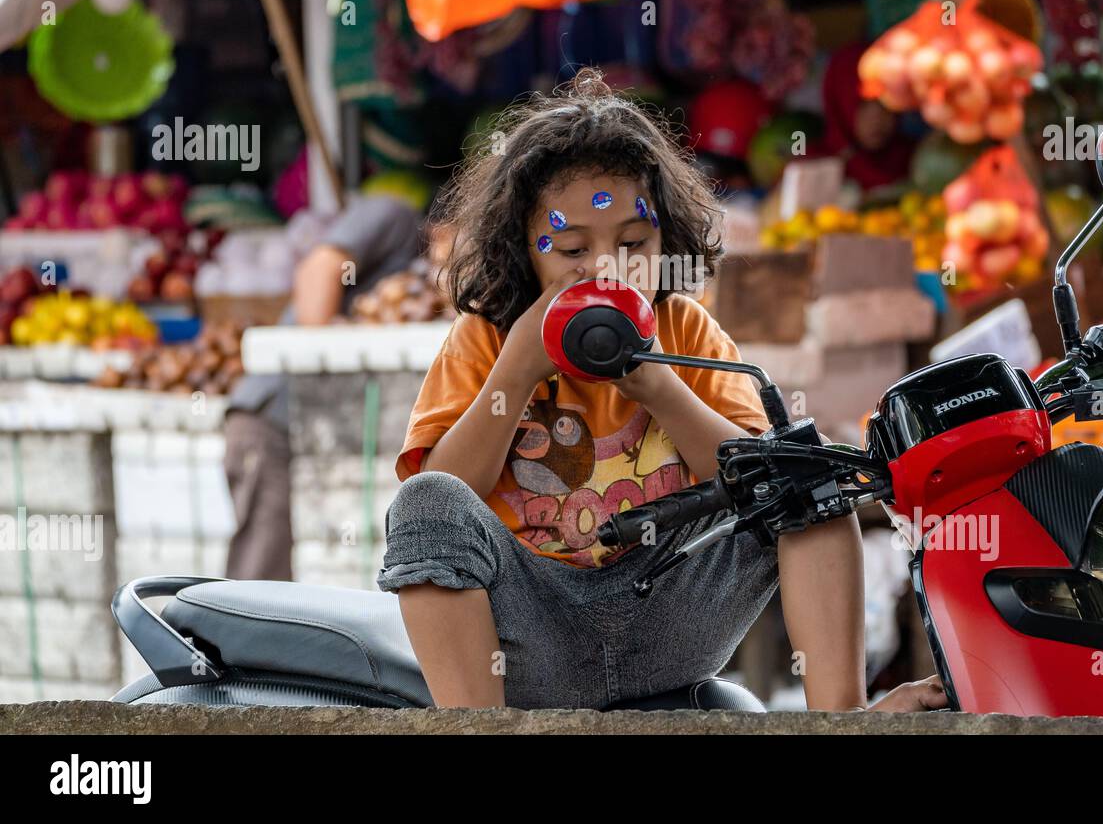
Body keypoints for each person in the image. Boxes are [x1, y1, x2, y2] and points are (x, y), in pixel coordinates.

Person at [377, 68, 946, 713]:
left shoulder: (684, 329)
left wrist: (658, 385)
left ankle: (840, 722)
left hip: (668, 618)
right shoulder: (487, 339)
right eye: (570, 249)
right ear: (525, 253)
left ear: (664, 240)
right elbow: (443, 499)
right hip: (536, 638)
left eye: (633, 243)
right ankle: (479, 729)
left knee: (804, 478)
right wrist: (515, 372)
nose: (606, 268)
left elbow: (760, 484)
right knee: (424, 503)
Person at [223, 193, 422, 581]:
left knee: (293, 590)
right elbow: (320, 267)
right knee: (260, 584)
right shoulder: (393, 214)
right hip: (271, 420)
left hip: (307, 431)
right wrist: (323, 347)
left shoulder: (421, 276)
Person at [811, 41, 915, 192]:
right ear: (839, 105)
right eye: (863, 105)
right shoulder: (811, 167)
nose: (877, 118)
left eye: (886, 103)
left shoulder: (913, 161)